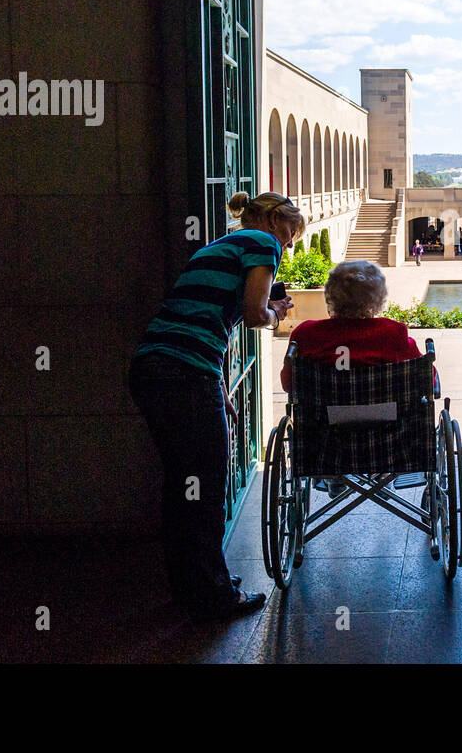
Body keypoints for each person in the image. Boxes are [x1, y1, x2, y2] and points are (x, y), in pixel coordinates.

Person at [128, 191, 304, 623]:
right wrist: (277, 313)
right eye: (290, 236)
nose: (288, 247)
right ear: (275, 223)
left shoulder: (214, 247)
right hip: (186, 375)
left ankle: (191, 588)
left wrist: (219, 386)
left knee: (181, 486)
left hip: (153, 368)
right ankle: (214, 597)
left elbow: (202, 317)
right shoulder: (260, 244)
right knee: (205, 490)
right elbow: (252, 311)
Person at [280, 260, 436, 491]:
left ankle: (335, 476)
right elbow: (428, 381)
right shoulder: (393, 333)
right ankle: (382, 473)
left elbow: (288, 384)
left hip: (326, 444)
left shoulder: (306, 334)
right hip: (387, 442)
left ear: (331, 296)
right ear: (377, 298)